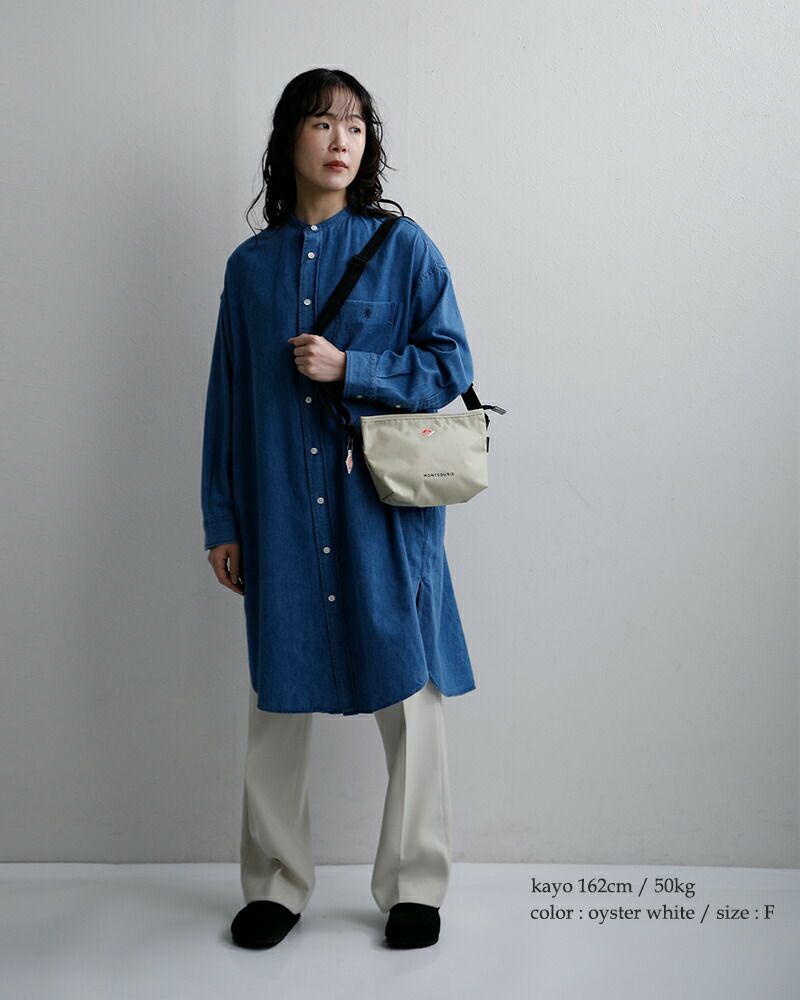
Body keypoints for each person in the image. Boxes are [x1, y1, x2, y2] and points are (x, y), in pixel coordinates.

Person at [200, 68, 477, 950]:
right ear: (291, 139)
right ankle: (276, 884)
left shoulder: (405, 249)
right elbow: (227, 402)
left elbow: (452, 366)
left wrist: (352, 368)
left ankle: (415, 885)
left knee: (413, 696)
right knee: (278, 698)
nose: (340, 141)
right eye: (322, 123)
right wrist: (222, 520)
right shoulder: (249, 270)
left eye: (355, 126)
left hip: (383, 517)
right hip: (281, 515)